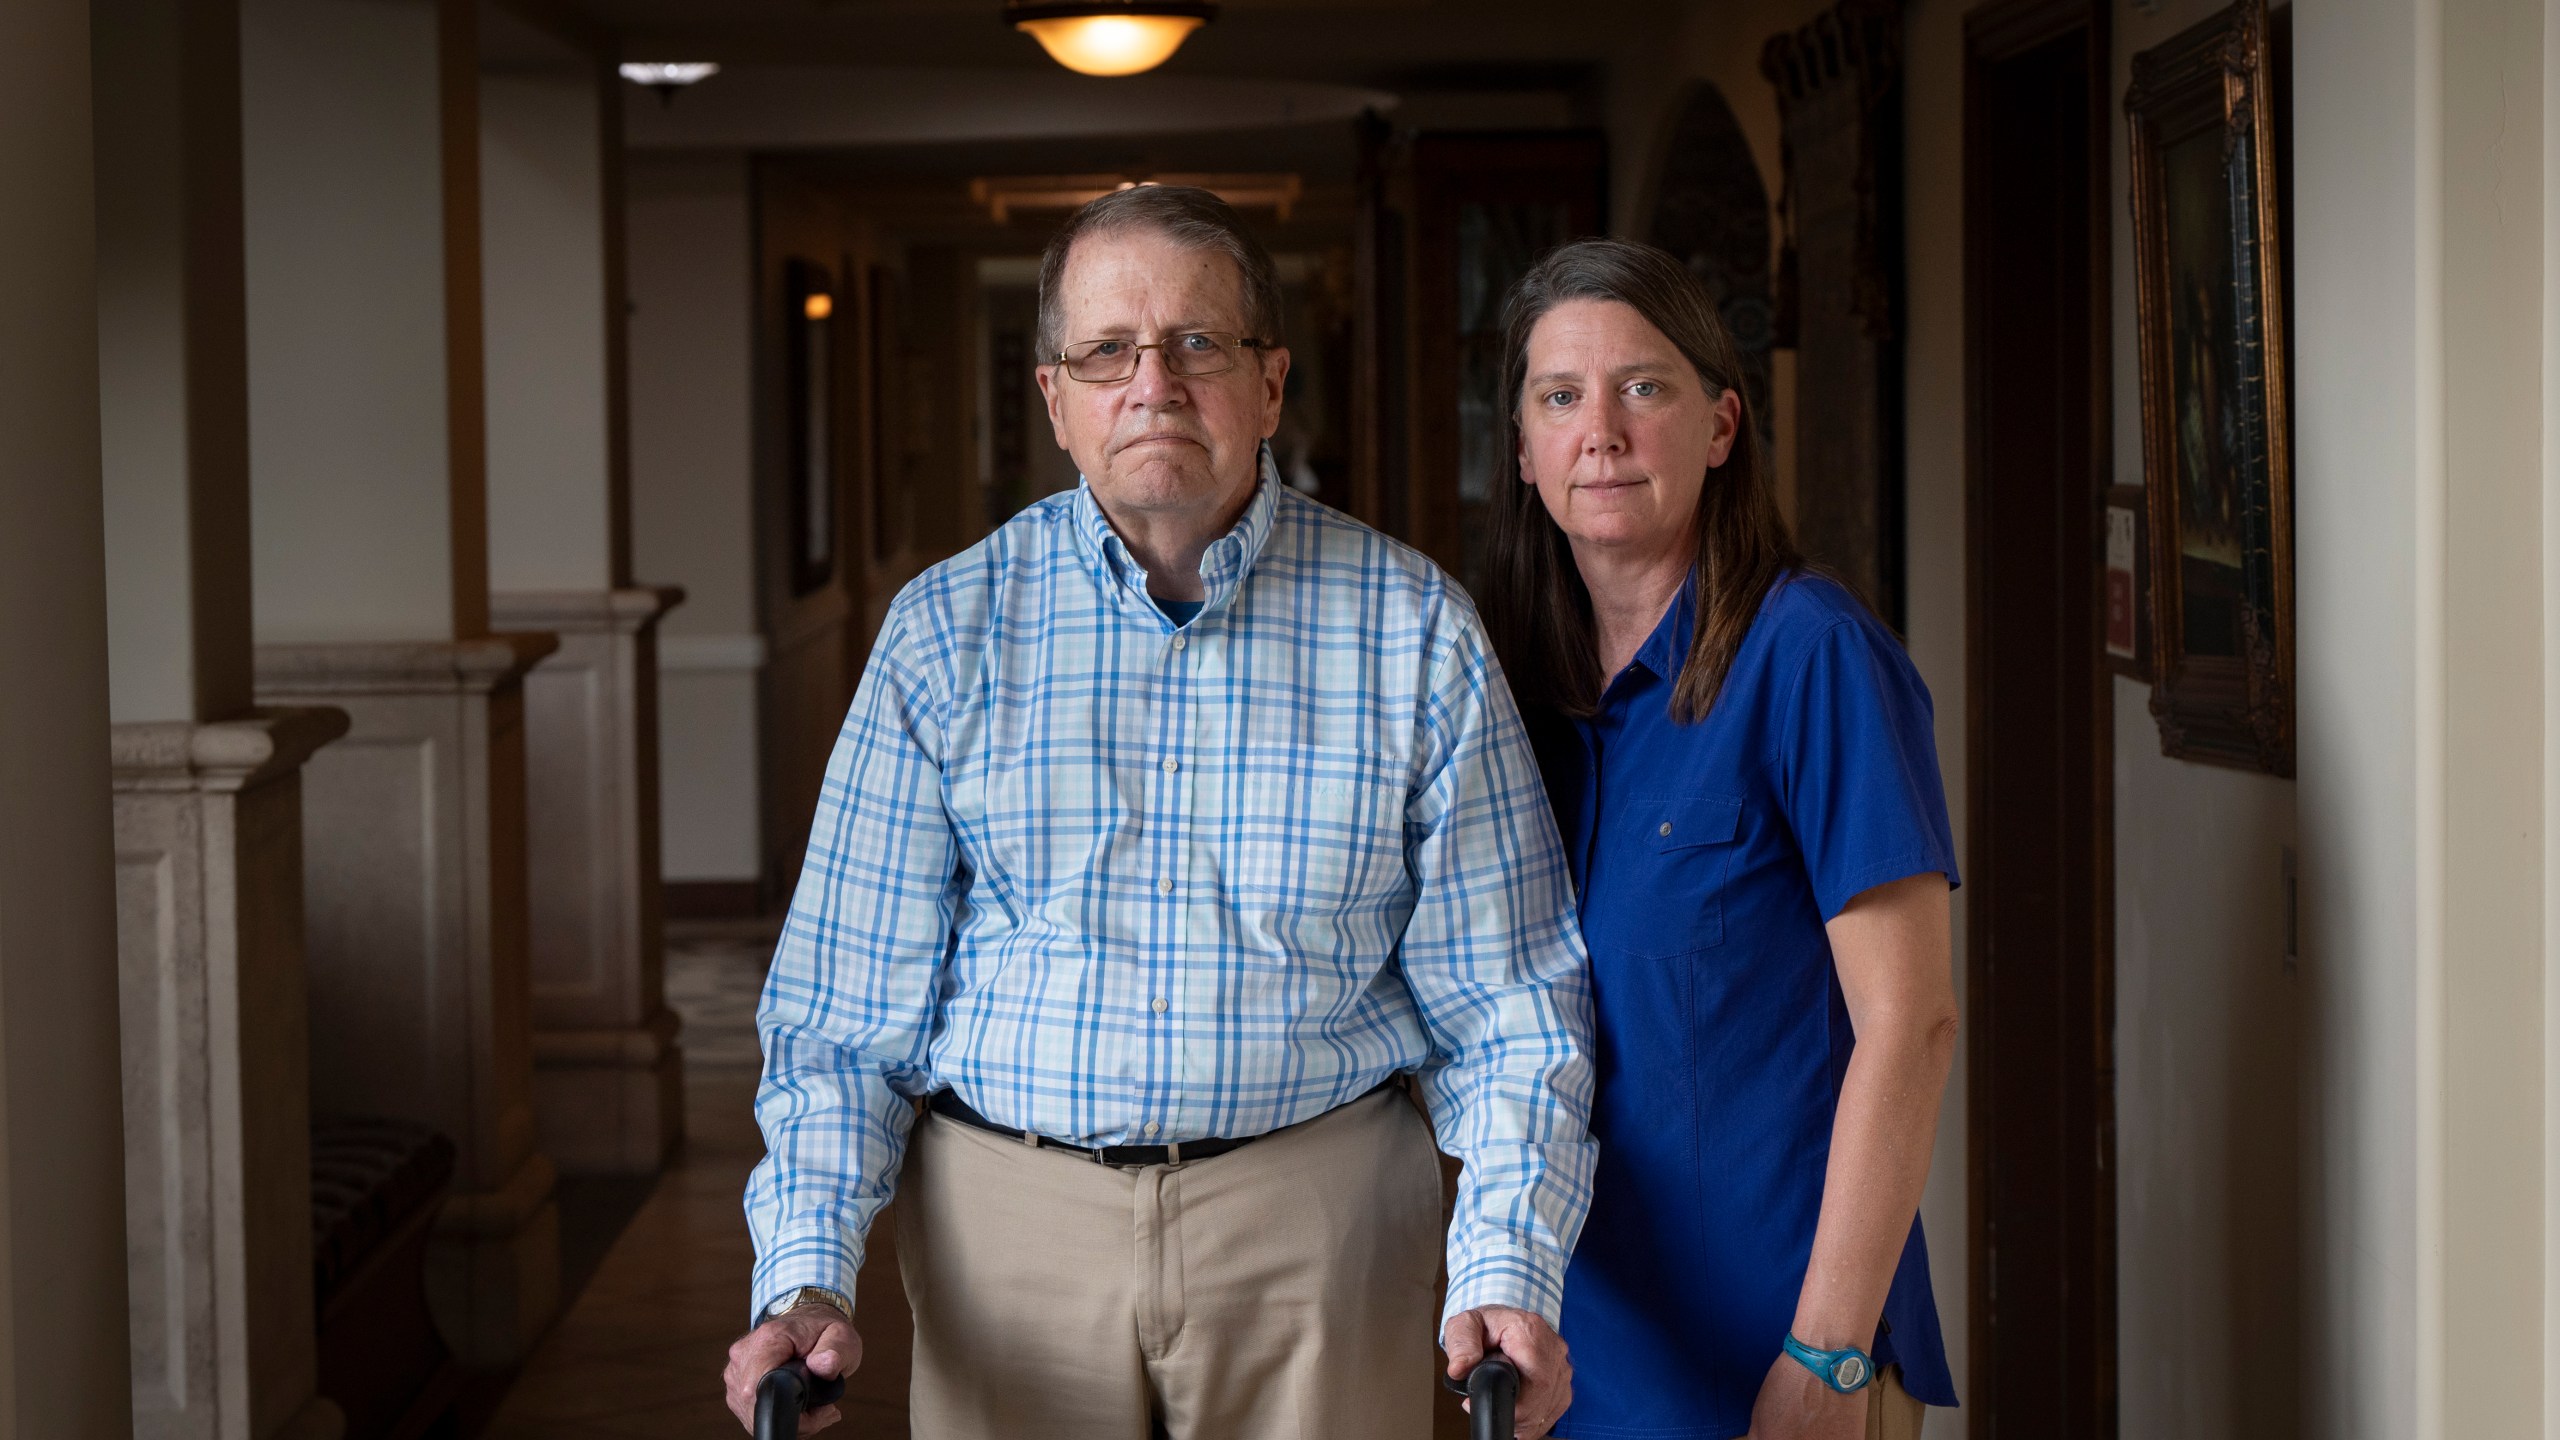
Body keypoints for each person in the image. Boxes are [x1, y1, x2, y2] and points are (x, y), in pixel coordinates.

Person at [720, 185, 1598, 1440]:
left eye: (1198, 344)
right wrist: (804, 1276)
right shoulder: (943, 631)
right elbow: (840, 1024)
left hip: (1323, 1234)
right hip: (1004, 1242)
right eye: (1106, 352)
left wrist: (1507, 1263)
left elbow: (1511, 1006)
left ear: (1272, 383)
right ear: (1054, 399)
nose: (1154, 384)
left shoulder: (1414, 631)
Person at [1480, 238, 1961, 1440]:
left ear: (1721, 425)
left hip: (1785, 1354)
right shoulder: (1510, 696)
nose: (1601, 430)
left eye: (1643, 387)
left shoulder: (1812, 655)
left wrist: (1827, 1357)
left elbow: (1912, 1023)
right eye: (1560, 397)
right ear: (1526, 451)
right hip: (1581, 1356)